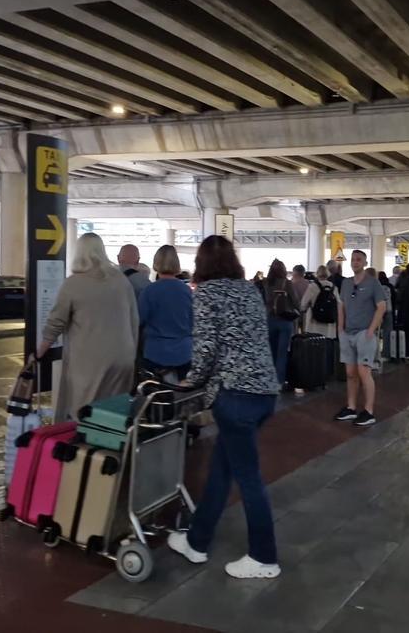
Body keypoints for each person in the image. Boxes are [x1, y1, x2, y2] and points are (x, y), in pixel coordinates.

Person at [167, 235, 282, 579]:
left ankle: (264, 557)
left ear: (202, 264)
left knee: (248, 478)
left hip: (234, 395)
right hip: (264, 392)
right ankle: (197, 541)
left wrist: (191, 381)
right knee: (222, 469)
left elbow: (205, 348)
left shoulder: (206, 294)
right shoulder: (249, 290)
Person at [38, 234, 139, 423]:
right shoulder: (120, 280)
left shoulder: (73, 284)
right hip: (123, 358)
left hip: (91, 363)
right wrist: (131, 354)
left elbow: (55, 323)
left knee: (86, 414)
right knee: (114, 413)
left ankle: (88, 449)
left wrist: (38, 353)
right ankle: (112, 448)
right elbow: (134, 320)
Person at [332, 250, 386, 427]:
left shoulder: (373, 283)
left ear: (364, 262)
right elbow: (342, 306)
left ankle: (369, 410)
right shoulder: (346, 284)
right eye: (353, 260)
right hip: (348, 333)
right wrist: (340, 328)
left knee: (364, 372)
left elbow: (381, 307)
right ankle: (351, 407)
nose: (355, 262)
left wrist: (371, 329)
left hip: (364, 333)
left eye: (359, 260)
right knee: (350, 373)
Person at [138, 245, 193, 382]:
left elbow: (139, 320)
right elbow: (194, 322)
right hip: (184, 352)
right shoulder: (187, 291)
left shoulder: (149, 291)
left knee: (155, 394)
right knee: (183, 396)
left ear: (156, 263)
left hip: (156, 352)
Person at [262, 259, 300, 387]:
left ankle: (269, 379)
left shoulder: (267, 283)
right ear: (283, 270)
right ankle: (279, 381)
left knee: (271, 351)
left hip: (270, 320)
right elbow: (295, 301)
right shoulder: (287, 283)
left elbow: (265, 301)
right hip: (285, 321)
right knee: (282, 353)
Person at [300, 264, 340, 340]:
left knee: (315, 348)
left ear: (317, 274)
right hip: (329, 326)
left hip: (314, 324)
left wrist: (303, 310)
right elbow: (338, 304)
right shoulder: (334, 288)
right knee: (327, 348)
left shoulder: (312, 286)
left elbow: (303, 304)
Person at [376, 269, 396, 360]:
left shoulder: (376, 286)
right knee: (387, 332)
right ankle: (387, 353)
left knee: (375, 333)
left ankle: (375, 354)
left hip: (378, 311)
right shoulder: (390, 286)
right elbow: (395, 298)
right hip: (389, 310)